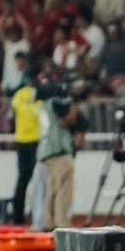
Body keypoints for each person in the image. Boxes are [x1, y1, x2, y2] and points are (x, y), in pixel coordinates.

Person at [37, 95, 78, 231]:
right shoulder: (55, 104)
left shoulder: (43, 105)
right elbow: (64, 120)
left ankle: (48, 222)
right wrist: (73, 109)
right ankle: (61, 222)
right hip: (58, 149)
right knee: (64, 188)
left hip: (46, 151)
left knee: (52, 188)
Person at [9, 72, 40, 225]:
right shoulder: (39, 95)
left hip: (21, 140)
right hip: (36, 140)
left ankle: (17, 215)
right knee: (38, 180)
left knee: (22, 178)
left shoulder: (18, 95)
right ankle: (36, 214)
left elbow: (14, 113)